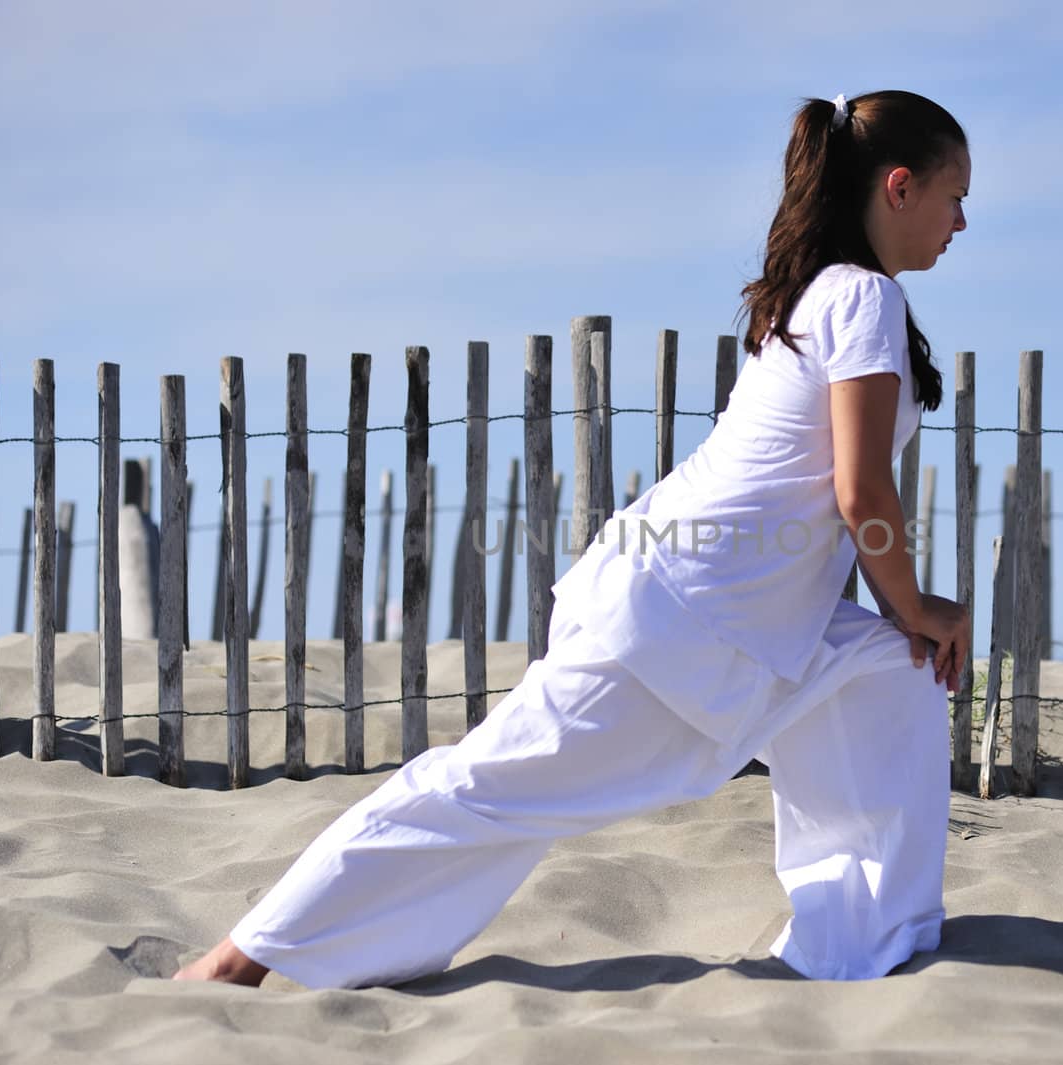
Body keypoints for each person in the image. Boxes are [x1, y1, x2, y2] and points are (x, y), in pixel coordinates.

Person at [174, 89, 973, 989]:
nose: (963, 221)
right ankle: (241, 958)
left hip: (733, 607)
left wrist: (902, 623)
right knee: (492, 790)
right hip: (680, 612)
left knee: (889, 680)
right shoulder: (861, 297)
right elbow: (860, 485)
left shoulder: (833, 292)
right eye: (955, 196)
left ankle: (862, 938)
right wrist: (917, 605)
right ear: (899, 188)